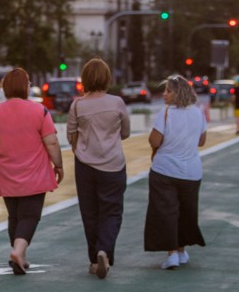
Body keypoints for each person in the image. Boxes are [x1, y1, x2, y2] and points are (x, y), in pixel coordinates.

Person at [0, 68, 64, 274]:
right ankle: (18, 251)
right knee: (30, 215)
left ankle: (19, 254)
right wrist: (58, 164)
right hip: (35, 173)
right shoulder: (40, 111)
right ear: (25, 87)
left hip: (5, 172)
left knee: (14, 216)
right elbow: (52, 142)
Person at [66, 58, 130, 279]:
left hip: (85, 165)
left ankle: (94, 260)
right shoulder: (117, 103)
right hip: (113, 164)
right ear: (106, 78)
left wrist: (81, 150)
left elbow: (70, 136)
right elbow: (126, 133)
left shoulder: (77, 105)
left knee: (90, 213)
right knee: (112, 211)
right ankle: (105, 250)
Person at [144, 74, 207, 270]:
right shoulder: (198, 113)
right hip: (192, 172)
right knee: (186, 212)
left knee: (166, 211)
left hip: (165, 170)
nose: (164, 94)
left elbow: (155, 141)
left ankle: (171, 254)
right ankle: (181, 250)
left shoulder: (166, 113)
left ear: (178, 93)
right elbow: (202, 141)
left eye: (168, 90)